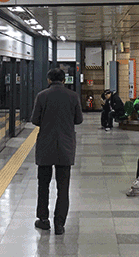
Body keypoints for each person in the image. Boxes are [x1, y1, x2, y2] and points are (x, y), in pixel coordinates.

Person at [32, 67, 83, 235]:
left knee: (43, 185)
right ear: (64, 80)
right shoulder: (73, 96)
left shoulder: (42, 96)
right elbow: (78, 119)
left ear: (48, 80)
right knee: (63, 187)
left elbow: (35, 120)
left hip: (45, 146)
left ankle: (43, 220)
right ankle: (59, 224)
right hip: (65, 147)